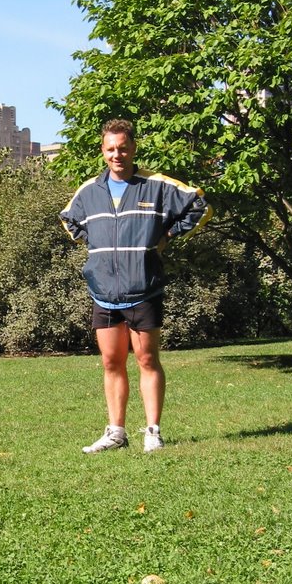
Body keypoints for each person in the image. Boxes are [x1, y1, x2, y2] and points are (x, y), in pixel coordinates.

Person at [60, 118, 212, 453]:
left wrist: (167, 235)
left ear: (134, 149)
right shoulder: (89, 191)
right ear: (103, 151)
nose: (118, 154)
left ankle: (153, 432)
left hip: (143, 287)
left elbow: (199, 206)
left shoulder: (156, 186)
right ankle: (116, 432)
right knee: (111, 363)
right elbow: (69, 218)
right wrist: (95, 243)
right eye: (111, 149)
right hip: (104, 291)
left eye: (123, 148)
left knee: (146, 358)